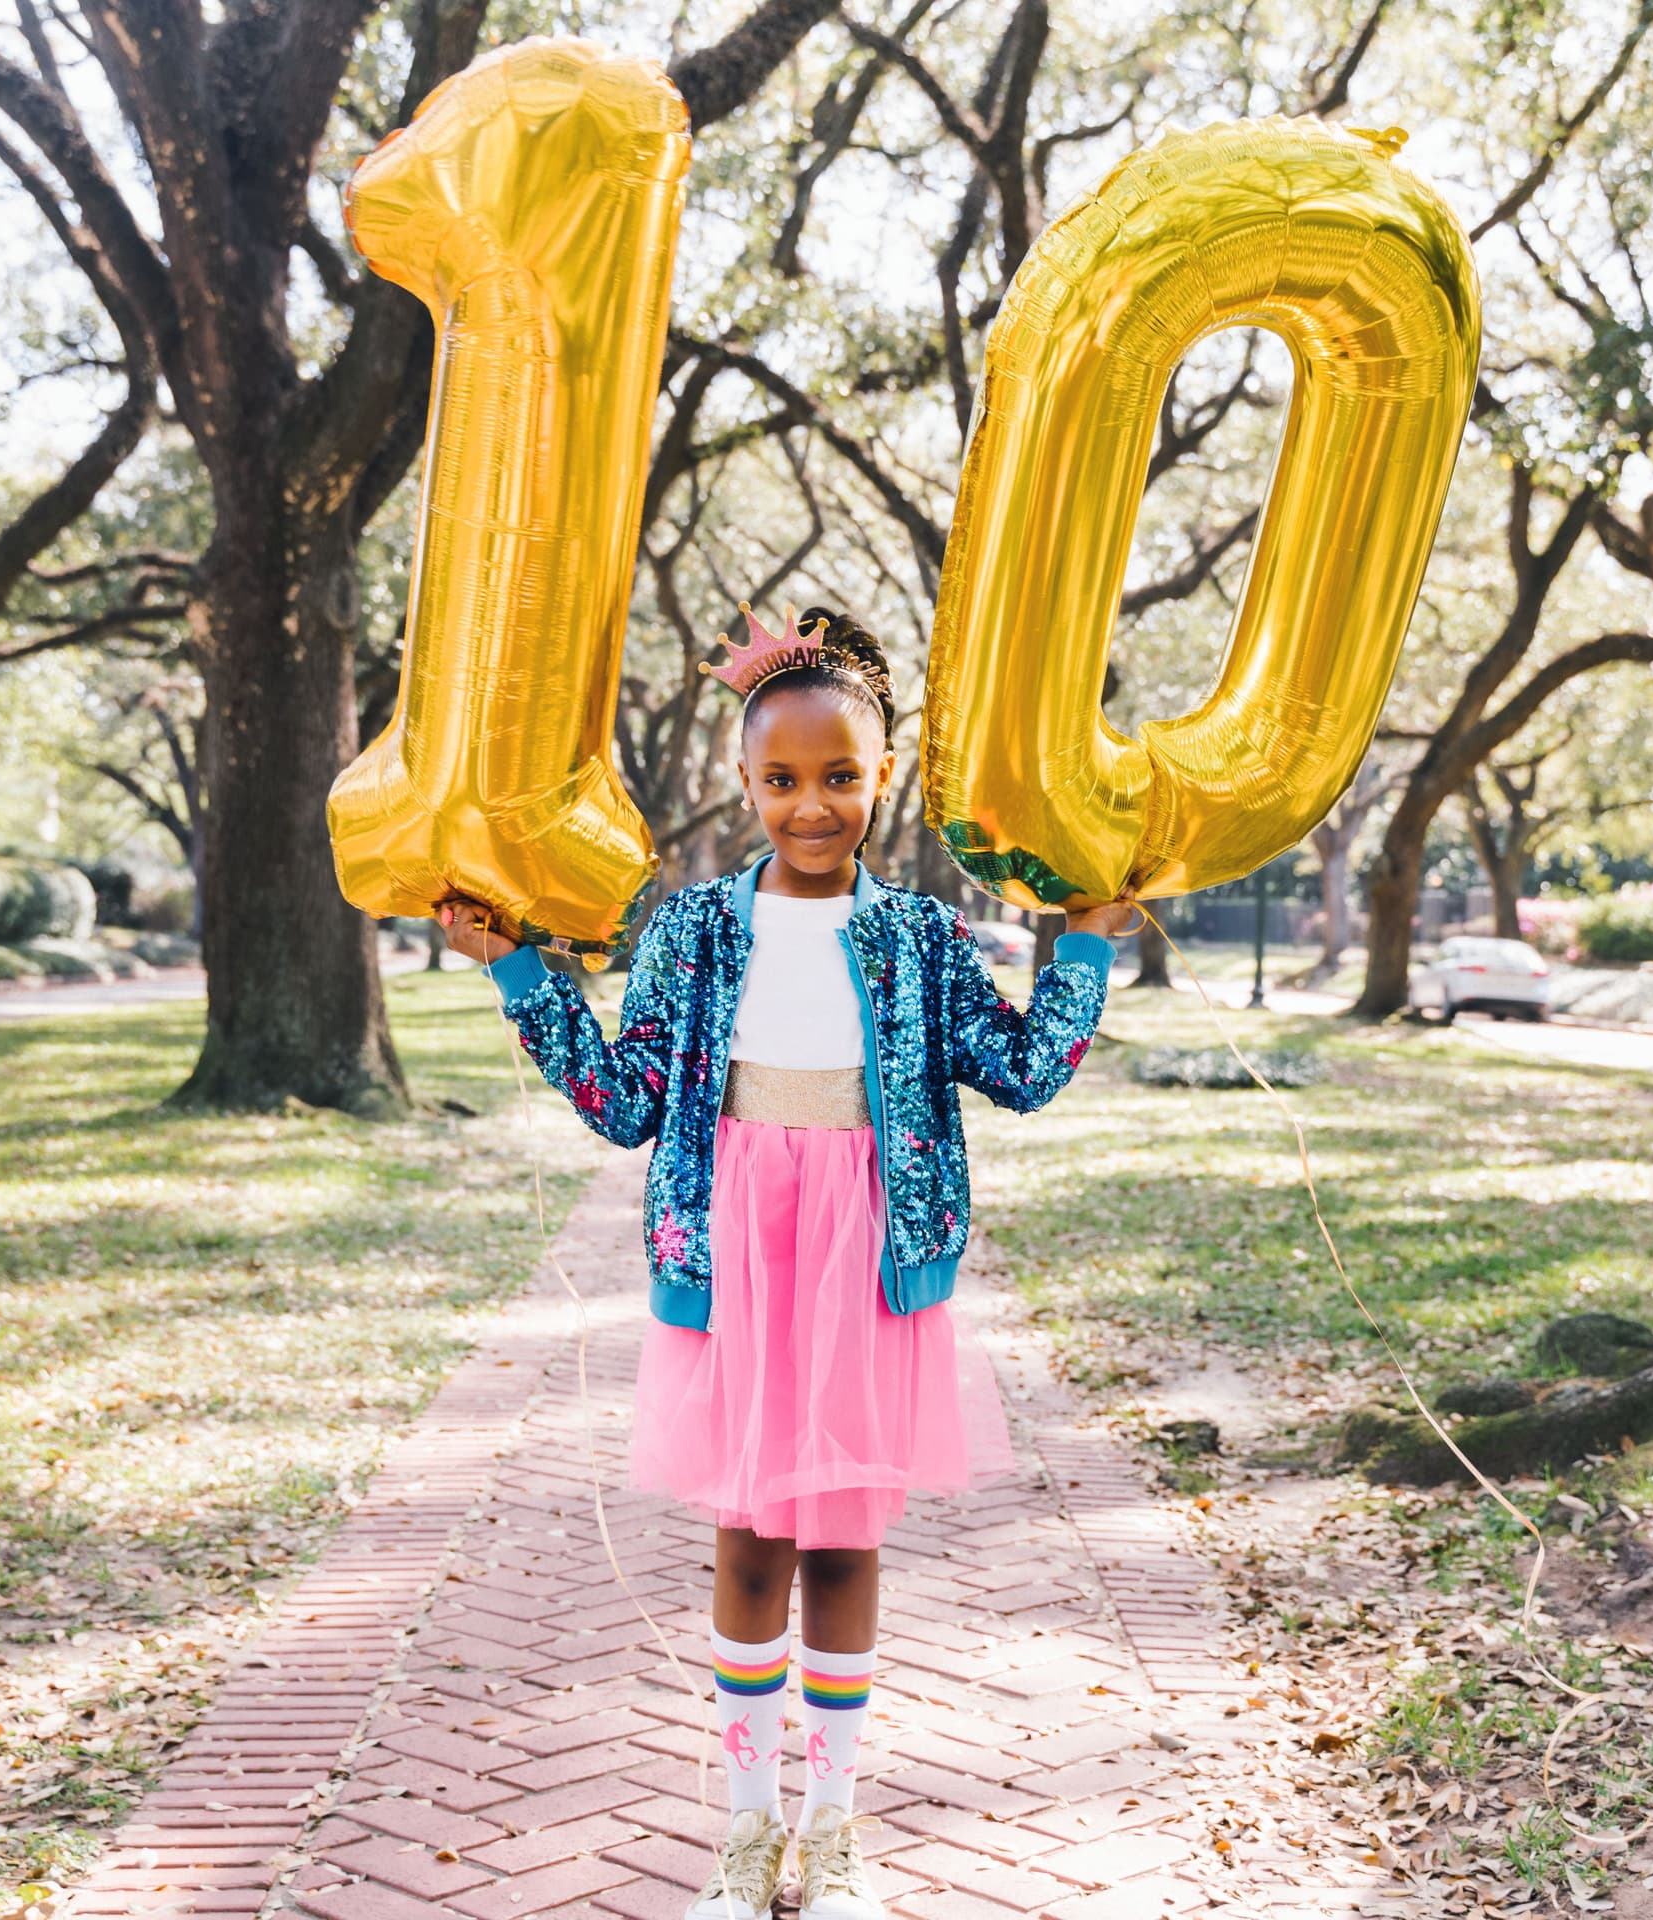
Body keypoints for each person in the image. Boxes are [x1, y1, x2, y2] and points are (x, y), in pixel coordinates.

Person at [435, 603, 1136, 1920]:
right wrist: (520, 974)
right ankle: (747, 1834)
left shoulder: (921, 938)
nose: (810, 806)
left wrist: (1086, 944)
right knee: (751, 1535)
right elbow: (624, 1101)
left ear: (881, 779)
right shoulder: (692, 930)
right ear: (743, 781)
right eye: (780, 780)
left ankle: (839, 1827)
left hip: (868, 1257)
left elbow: (1027, 1073)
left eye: (839, 778)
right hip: (740, 1249)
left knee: (844, 1542)